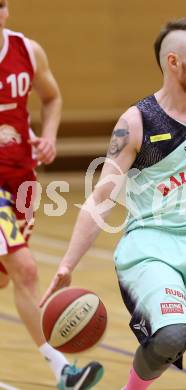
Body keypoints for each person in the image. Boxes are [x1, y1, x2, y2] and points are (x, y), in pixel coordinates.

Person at [41, 18, 186, 390]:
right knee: (171, 337)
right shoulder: (136, 123)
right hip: (150, 247)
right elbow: (101, 198)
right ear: (173, 63)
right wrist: (68, 264)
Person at [0, 1, 104, 388]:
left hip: (22, 179)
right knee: (25, 270)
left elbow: (52, 97)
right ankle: (63, 369)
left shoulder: (27, 50)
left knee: (7, 279)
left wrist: (49, 136)